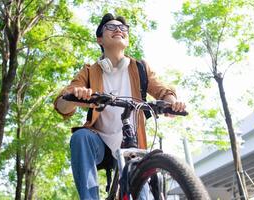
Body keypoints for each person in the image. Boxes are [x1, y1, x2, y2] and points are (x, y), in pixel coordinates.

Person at [54, 13, 186, 200]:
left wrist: (173, 103)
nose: (118, 29)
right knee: (80, 137)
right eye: (111, 27)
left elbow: (163, 91)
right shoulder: (89, 71)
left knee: (142, 192)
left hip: (132, 143)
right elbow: (62, 104)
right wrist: (75, 97)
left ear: (128, 38)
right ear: (100, 39)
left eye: (123, 28)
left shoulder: (140, 68)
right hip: (100, 144)